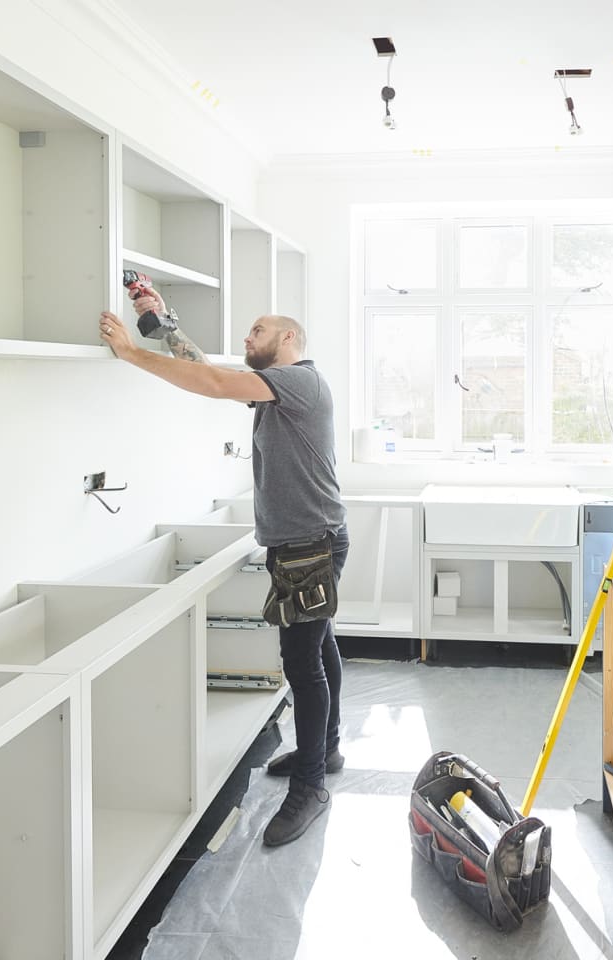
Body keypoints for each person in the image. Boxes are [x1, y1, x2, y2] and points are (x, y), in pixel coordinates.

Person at [98, 295, 348, 847]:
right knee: (320, 646)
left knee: (302, 665)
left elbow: (212, 385)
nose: (246, 339)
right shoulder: (274, 393)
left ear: (288, 340)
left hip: (309, 545)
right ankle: (325, 750)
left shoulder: (301, 382)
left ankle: (310, 787)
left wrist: (132, 354)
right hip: (307, 541)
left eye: (257, 331)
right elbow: (210, 370)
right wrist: (161, 320)